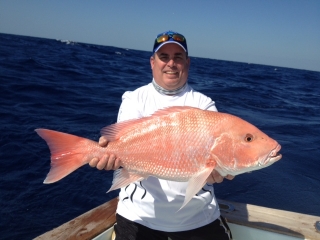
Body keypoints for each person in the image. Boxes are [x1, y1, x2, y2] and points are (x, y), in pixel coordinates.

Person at [89, 30, 233, 240]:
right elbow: (121, 143)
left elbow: (217, 159)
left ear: (187, 63)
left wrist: (220, 170)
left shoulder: (204, 104)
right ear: (152, 62)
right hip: (138, 217)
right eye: (164, 57)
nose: (171, 64)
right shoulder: (134, 99)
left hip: (198, 218)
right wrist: (110, 155)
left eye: (178, 58)